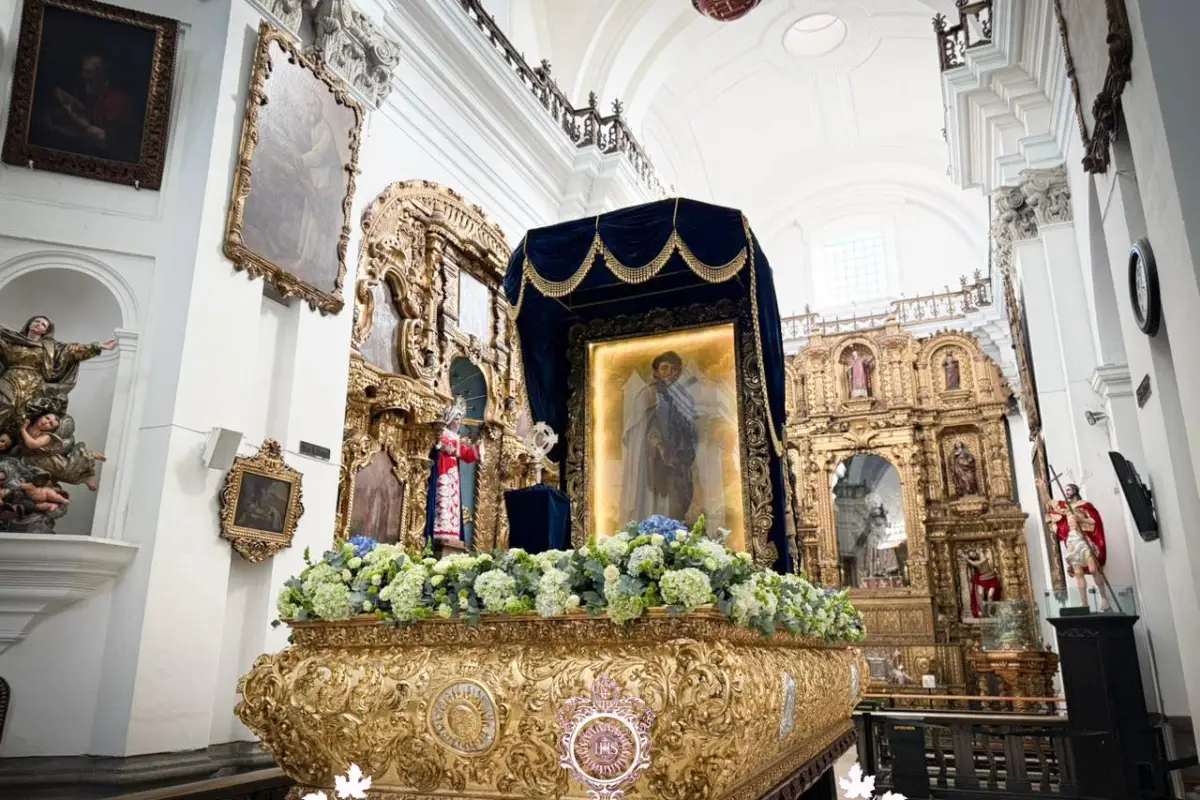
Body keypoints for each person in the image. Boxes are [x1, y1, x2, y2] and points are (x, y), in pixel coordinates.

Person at [0, 315, 115, 434]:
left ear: (45, 331)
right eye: (36, 321)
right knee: (7, 403)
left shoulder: (51, 348)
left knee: (23, 413)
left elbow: (72, 351)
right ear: (30, 324)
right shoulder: (12, 340)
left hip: (33, 384)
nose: (39, 324)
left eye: (43, 324)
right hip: (11, 377)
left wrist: (97, 346)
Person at [621, 351, 699, 522]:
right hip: (654, 460)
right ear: (655, 372)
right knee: (657, 502)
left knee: (678, 504)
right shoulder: (648, 394)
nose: (670, 373)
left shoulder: (685, 398)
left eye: (675, 369)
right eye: (664, 368)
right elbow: (642, 429)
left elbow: (691, 431)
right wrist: (661, 448)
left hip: (679, 462)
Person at [43, 54, 136, 161]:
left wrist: (88, 128)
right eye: (84, 71)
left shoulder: (117, 98)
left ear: (101, 74)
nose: (83, 76)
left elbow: (115, 144)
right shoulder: (95, 94)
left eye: (88, 72)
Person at [1046, 483, 1110, 611]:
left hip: (1083, 540)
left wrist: (1081, 520)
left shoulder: (1084, 505)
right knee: (1078, 573)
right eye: (1065, 490)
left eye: (1069, 489)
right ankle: (1084, 603)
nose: (1067, 492)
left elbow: (1094, 521)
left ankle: (1103, 597)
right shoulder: (1065, 508)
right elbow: (1049, 502)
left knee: (1092, 569)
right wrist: (1042, 488)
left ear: (1075, 490)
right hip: (1072, 541)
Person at [431, 397, 482, 548]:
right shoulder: (443, 433)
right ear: (450, 418)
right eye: (457, 418)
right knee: (443, 499)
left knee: (452, 501)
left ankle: (450, 533)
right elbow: (443, 446)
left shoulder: (455, 437)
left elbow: (465, 455)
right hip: (443, 469)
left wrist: (479, 447)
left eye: (460, 418)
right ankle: (441, 532)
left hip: (452, 471)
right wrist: (446, 448)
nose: (459, 421)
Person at [965, 549, 1002, 617]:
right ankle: (981, 611)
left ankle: (989, 612)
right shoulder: (975, 562)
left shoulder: (981, 555)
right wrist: (968, 560)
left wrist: (968, 559)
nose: (973, 555)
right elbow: (976, 564)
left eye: (972, 553)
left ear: (975, 552)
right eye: (971, 555)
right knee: (980, 594)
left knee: (990, 595)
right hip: (982, 580)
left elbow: (982, 561)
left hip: (991, 578)